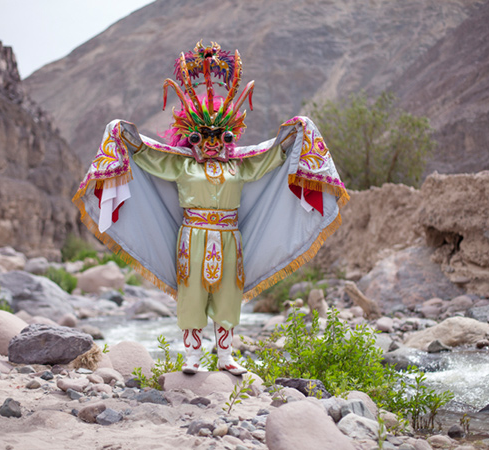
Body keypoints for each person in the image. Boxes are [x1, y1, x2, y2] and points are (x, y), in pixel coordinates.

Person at [73, 41, 349, 375]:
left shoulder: (240, 166)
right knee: (191, 294)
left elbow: (270, 156)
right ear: (192, 136)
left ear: (229, 136)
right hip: (192, 235)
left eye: (220, 136)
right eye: (204, 136)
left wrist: (295, 134)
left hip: (230, 236)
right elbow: (148, 154)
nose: (212, 143)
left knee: (229, 295)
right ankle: (191, 357)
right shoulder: (182, 166)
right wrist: (123, 134)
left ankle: (225, 356)